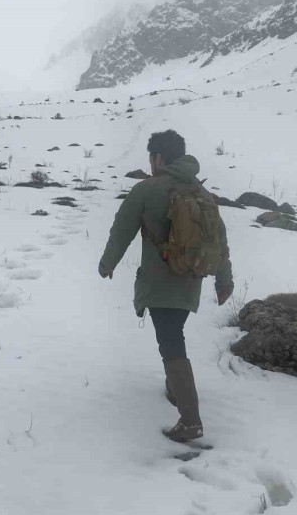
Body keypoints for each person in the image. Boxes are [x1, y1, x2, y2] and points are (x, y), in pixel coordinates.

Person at [98, 130, 234, 443]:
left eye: (151, 157)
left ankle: (190, 420)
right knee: (174, 332)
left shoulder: (147, 189)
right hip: (191, 280)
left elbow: (122, 229)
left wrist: (107, 263)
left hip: (160, 281)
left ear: (158, 157)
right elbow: (220, 240)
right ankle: (175, 389)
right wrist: (224, 280)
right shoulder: (201, 191)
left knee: (171, 341)